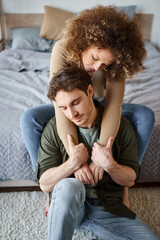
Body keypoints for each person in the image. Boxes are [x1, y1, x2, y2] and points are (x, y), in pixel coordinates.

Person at [20, 5, 155, 213]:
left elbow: (113, 104)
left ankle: (123, 184)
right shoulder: (62, 50)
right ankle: (49, 187)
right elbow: (60, 108)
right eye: (95, 58)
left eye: (105, 65)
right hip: (68, 107)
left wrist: (101, 158)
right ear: (87, 41)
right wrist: (77, 162)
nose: (98, 67)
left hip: (98, 107)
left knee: (145, 116)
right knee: (30, 118)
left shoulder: (114, 62)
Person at [36, 66, 158, 240]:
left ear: (90, 91)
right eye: (63, 108)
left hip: (108, 206)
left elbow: (129, 180)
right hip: (72, 204)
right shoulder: (54, 128)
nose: (72, 114)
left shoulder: (120, 126)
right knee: (69, 186)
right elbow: (45, 184)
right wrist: (73, 163)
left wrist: (109, 164)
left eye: (75, 102)